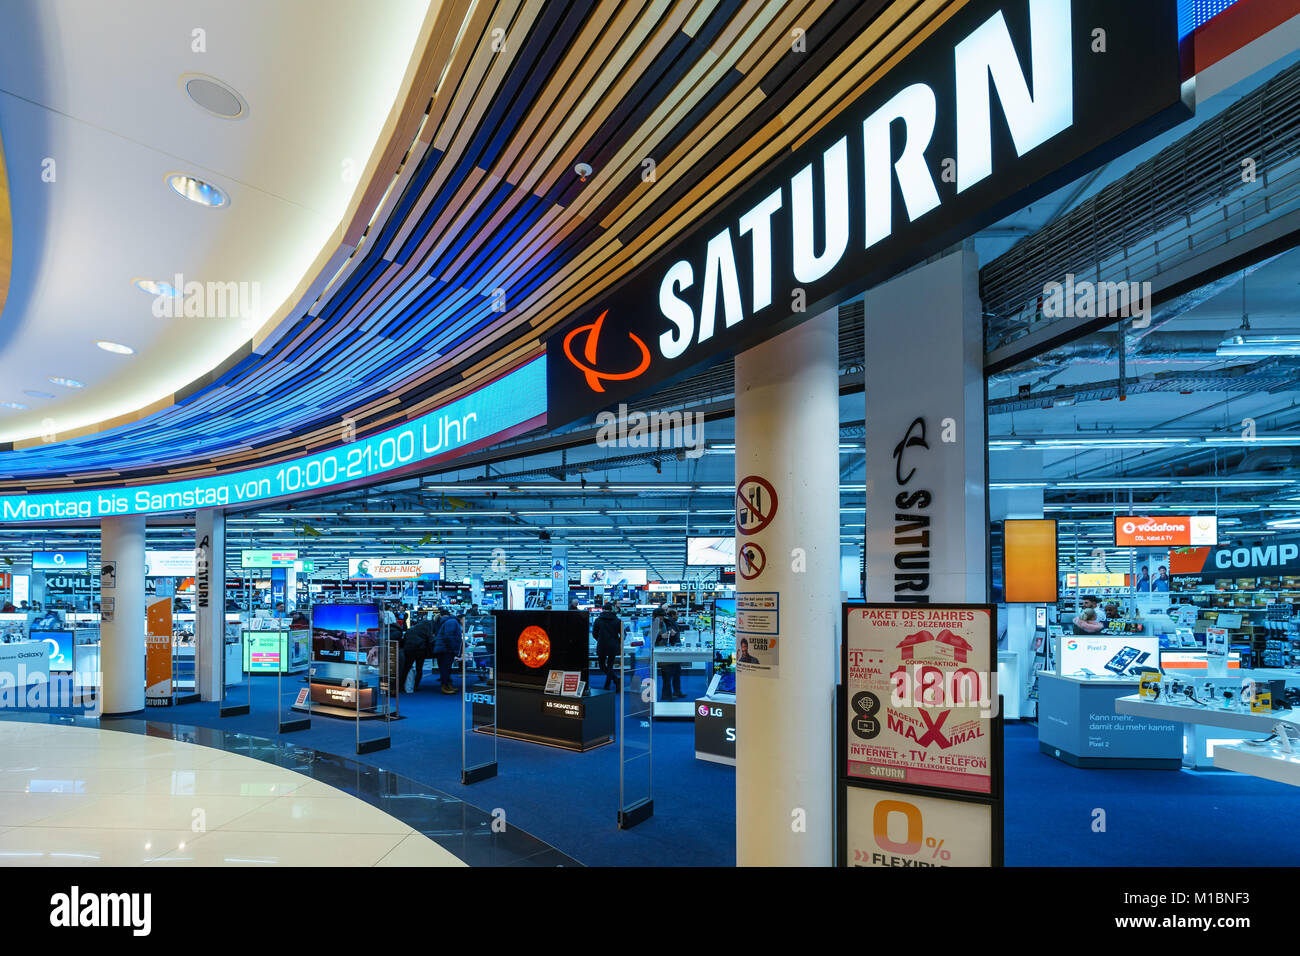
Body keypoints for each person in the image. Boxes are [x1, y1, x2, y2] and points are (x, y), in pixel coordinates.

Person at [400, 613, 436, 692]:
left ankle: (401, 685)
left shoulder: (411, 629)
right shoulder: (427, 631)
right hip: (420, 651)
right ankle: (415, 686)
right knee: (419, 669)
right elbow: (431, 641)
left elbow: (404, 640)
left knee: (406, 668)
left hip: (409, 650)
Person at [592, 602, 623, 691]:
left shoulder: (598, 620)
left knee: (602, 665)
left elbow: (594, 634)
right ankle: (614, 681)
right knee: (610, 665)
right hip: (613, 645)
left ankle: (610, 683)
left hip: (602, 645)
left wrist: (600, 639)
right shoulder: (617, 620)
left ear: (602, 609)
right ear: (611, 610)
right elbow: (622, 634)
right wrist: (617, 642)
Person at [432, 607, 463, 694]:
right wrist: (454, 648)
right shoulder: (452, 622)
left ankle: (448, 685)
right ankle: (445, 687)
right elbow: (449, 636)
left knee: (446, 668)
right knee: (445, 668)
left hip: (444, 648)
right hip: (446, 649)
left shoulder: (450, 621)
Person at [658, 608, 684, 700]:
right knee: (669, 673)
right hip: (671, 650)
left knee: (676, 672)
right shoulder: (668, 622)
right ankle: (667, 694)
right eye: (676, 614)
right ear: (672, 615)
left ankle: (676, 692)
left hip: (674, 649)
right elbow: (669, 632)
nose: (678, 616)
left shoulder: (669, 621)